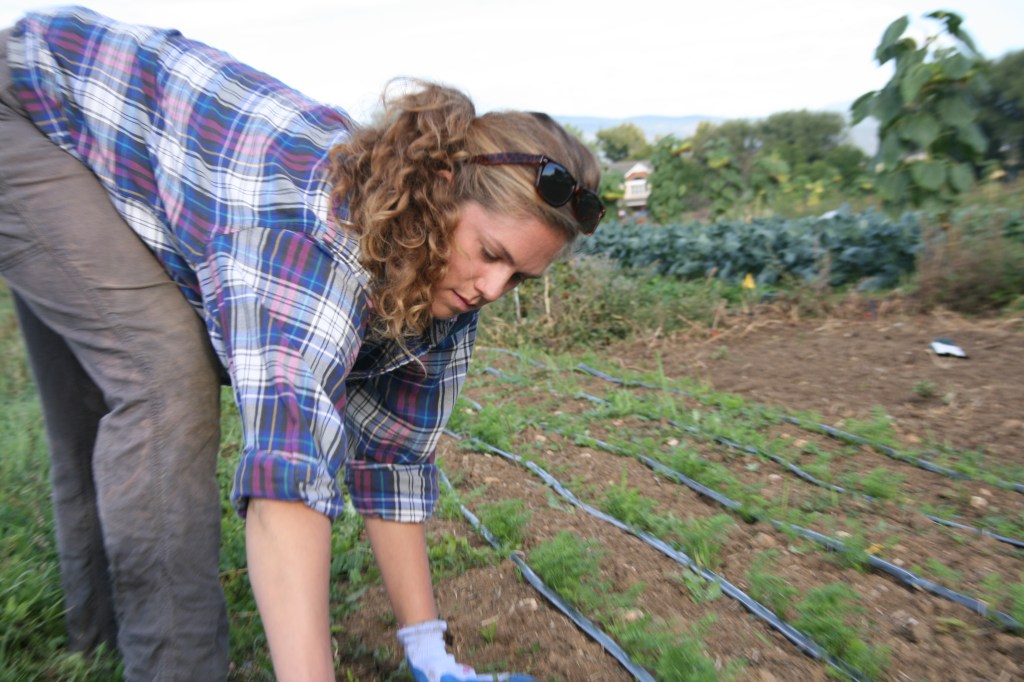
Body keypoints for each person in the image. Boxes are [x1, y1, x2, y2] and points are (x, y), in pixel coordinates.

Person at [0, 5, 603, 682]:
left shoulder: (449, 287)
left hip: (107, 143)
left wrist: (429, 651)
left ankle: (93, 645)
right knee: (161, 379)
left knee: (96, 406)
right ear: (439, 191)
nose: (492, 288)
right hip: (29, 103)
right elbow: (289, 474)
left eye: (518, 276)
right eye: (490, 253)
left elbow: (392, 462)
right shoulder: (315, 237)